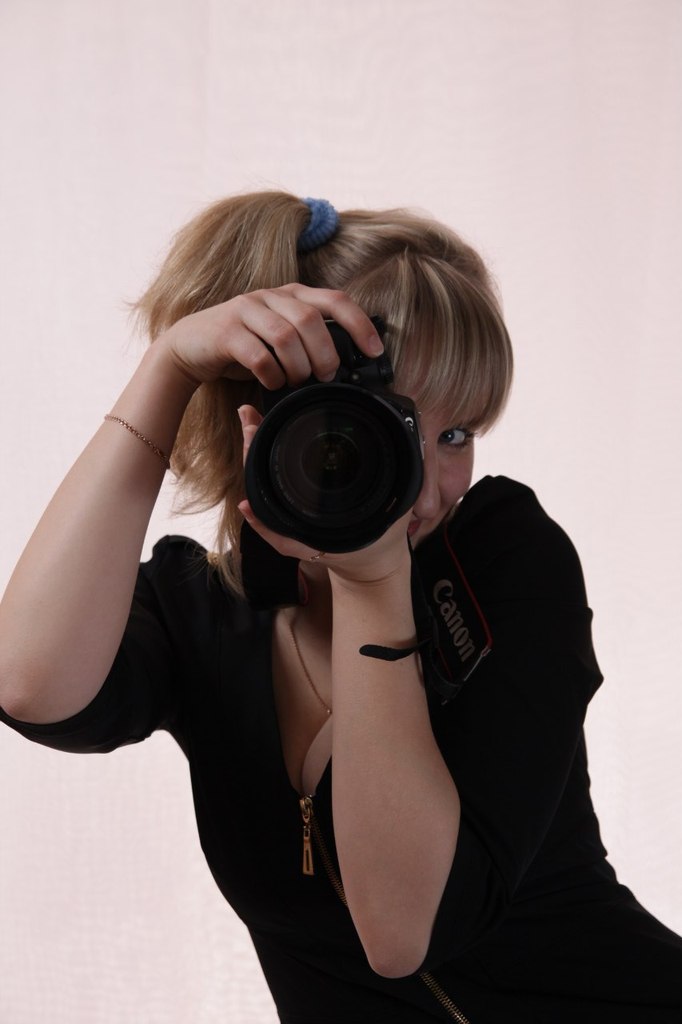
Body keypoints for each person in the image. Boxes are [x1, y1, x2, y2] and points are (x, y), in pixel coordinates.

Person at [0, 191, 680, 1024]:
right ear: (271, 421)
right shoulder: (199, 609)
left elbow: (403, 931)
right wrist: (168, 370)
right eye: (386, 429)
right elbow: (30, 686)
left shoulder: (503, 560)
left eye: (457, 435)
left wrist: (372, 582)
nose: (426, 491)